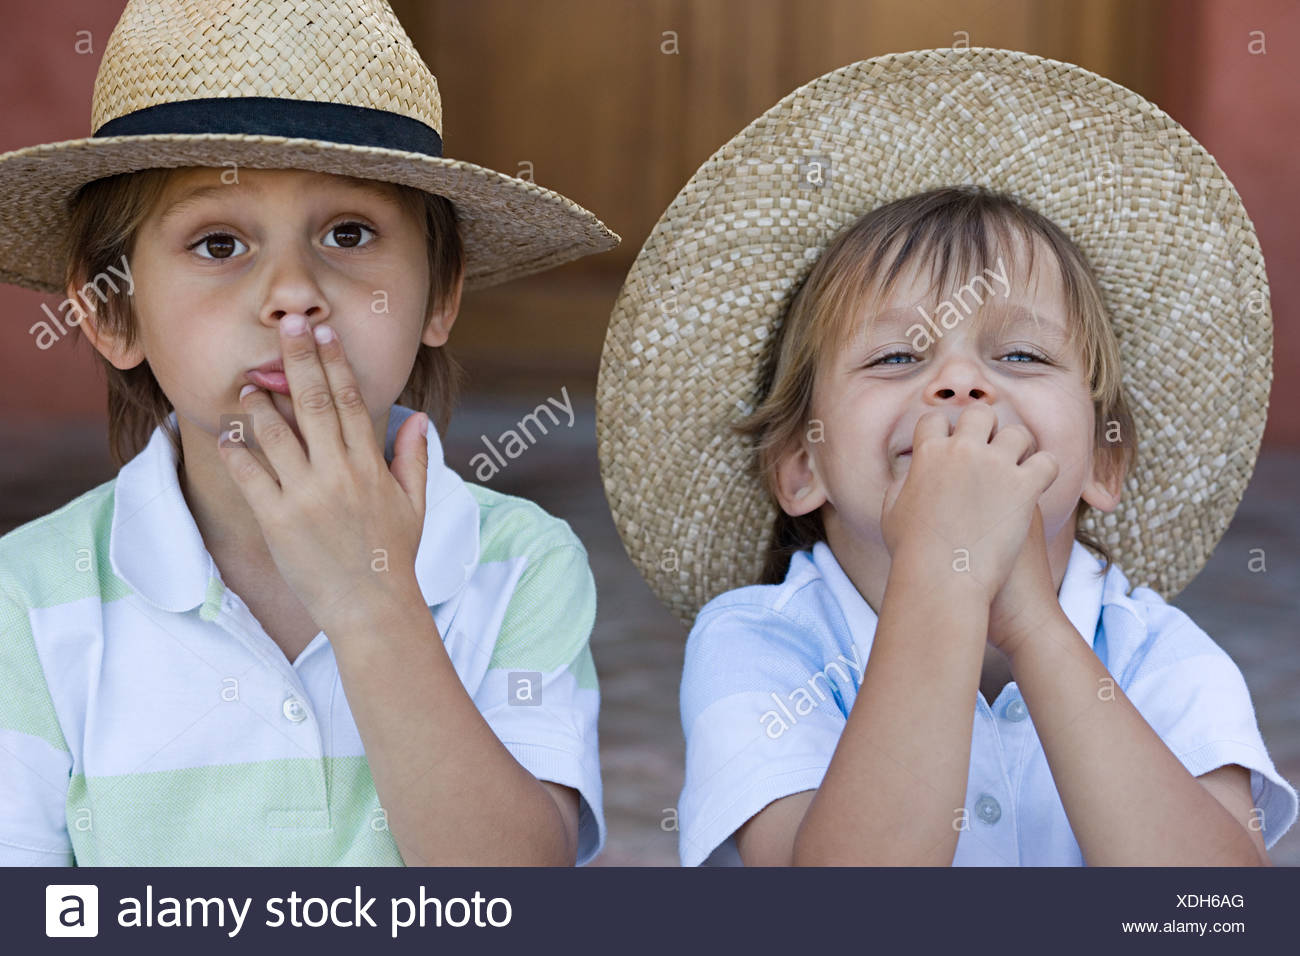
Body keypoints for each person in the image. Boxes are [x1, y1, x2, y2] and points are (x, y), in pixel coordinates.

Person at [596, 48, 1297, 865]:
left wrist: (1033, 625)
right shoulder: (762, 644)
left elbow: (1208, 919)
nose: (961, 384)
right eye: (896, 358)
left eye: (1023, 357)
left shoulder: (1155, 653)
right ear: (800, 466)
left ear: (1105, 462)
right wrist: (946, 583)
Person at [0, 0, 617, 866]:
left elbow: (518, 897)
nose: (293, 293)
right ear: (110, 309)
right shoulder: (27, 599)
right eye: (218, 244)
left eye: (350, 233)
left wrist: (372, 604)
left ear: (440, 294)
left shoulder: (517, 562)